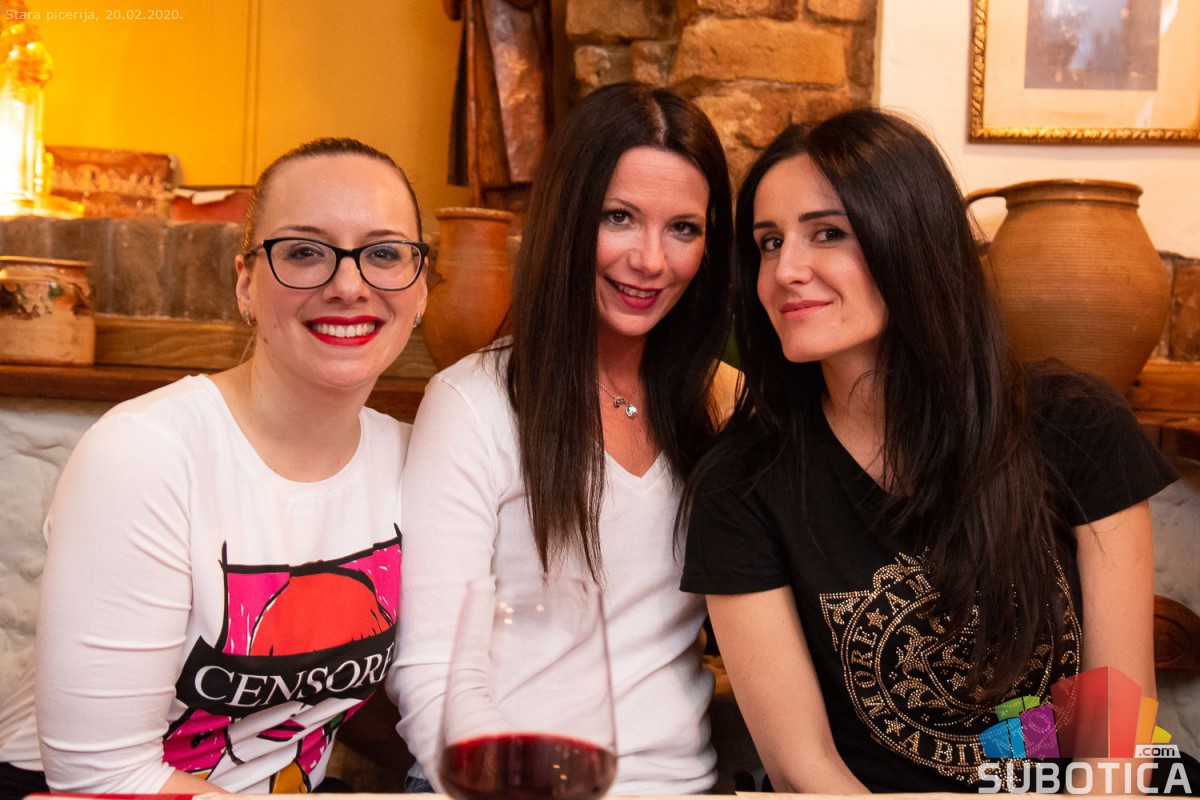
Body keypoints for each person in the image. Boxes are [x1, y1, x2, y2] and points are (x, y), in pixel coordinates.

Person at [681, 109, 1178, 793]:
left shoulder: (1075, 425)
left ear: (911, 241)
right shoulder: (741, 484)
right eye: (769, 243)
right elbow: (804, 765)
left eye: (827, 233)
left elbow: (1117, 726)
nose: (785, 270)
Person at [0, 138, 428, 796]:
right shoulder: (144, 455)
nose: (349, 285)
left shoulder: (415, 460)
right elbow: (101, 776)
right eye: (304, 251)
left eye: (384, 253)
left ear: (420, 289)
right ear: (245, 284)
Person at [392, 82, 737, 794]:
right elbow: (433, 674)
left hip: (683, 786)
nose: (651, 260)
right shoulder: (473, 404)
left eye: (683, 228)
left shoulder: (723, 401)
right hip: (508, 784)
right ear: (567, 217)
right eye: (619, 217)